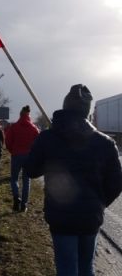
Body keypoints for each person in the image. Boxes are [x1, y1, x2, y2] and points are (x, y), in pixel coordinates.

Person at [25, 84, 122, 276]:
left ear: (65, 106)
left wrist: (44, 151)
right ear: (87, 111)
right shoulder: (105, 142)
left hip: (61, 218)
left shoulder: (48, 138)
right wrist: (99, 204)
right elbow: (116, 183)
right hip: (90, 218)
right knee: (87, 268)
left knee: (67, 269)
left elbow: (30, 170)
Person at [5, 105, 39, 212]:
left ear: (20, 114)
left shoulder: (14, 127)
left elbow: (8, 141)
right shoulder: (34, 128)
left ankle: (16, 197)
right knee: (26, 181)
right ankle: (24, 205)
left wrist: (12, 151)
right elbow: (38, 143)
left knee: (14, 178)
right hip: (28, 156)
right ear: (29, 115)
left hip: (16, 156)